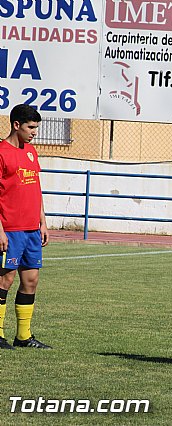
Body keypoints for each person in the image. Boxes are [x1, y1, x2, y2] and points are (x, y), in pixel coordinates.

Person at [0, 104, 51, 350]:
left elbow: (36, 188)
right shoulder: (1, 152)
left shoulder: (31, 152)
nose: (34, 132)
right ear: (16, 125)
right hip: (10, 228)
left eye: (36, 128)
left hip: (31, 229)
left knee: (31, 280)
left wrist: (42, 221)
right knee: (4, 280)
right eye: (31, 127)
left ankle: (23, 337)